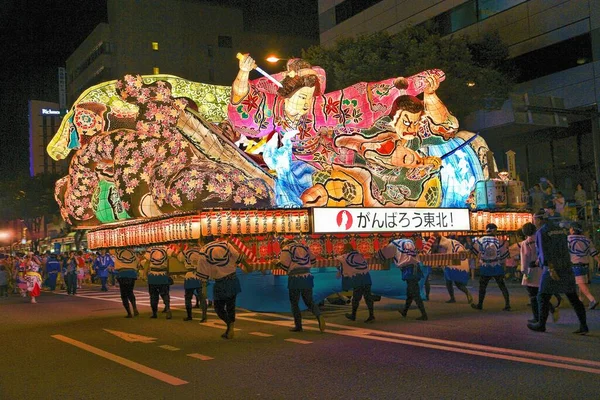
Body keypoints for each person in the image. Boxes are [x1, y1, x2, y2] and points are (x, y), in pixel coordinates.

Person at [527, 211, 589, 334]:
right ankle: (584, 325)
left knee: (542, 296)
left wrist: (550, 269)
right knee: (573, 297)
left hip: (552, 267)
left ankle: (541, 324)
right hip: (566, 266)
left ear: (539, 220)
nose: (534, 221)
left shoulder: (541, 232)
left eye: (534, 219)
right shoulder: (560, 230)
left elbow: (544, 252)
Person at [198, 237, 249, 338]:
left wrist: (203, 285)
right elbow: (238, 257)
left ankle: (229, 325)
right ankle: (230, 328)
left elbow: (202, 272)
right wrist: (247, 266)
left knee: (219, 308)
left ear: (202, 242)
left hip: (220, 282)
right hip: (233, 278)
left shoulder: (203, 251)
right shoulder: (226, 244)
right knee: (231, 306)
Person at [276, 238, 326, 333]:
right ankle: (319, 315)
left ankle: (298, 326)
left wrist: (277, 263)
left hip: (295, 278)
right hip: (307, 276)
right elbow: (313, 260)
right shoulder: (305, 247)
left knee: (294, 302)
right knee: (309, 301)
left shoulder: (286, 249)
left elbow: (284, 266)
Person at [378, 238, 428, 321]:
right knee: (410, 292)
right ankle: (405, 311)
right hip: (416, 267)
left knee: (415, 293)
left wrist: (381, 249)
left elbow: (382, 255)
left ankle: (424, 314)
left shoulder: (393, 244)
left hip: (409, 269)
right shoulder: (409, 241)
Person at [470, 223, 511, 311]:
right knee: (502, 285)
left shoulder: (480, 240)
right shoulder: (499, 241)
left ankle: (480, 304)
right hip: (496, 265)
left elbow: (474, 251)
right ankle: (507, 304)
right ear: (493, 230)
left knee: (482, 286)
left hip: (485, 266)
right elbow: (504, 254)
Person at [336, 243, 375, 323]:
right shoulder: (359, 255)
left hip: (358, 279)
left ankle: (353, 315)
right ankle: (371, 315)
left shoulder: (345, 257)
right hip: (366, 277)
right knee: (368, 297)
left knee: (356, 299)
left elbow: (339, 260)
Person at [432, 234, 473, 304]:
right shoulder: (453, 243)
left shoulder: (446, 244)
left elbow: (442, 254)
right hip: (456, 261)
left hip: (453, 262)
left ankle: (461, 294)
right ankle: (454, 297)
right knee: (450, 282)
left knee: (454, 282)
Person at [567, 222, 599, 310]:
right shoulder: (587, 239)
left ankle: (592, 300)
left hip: (575, 265)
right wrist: (599, 261)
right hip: (586, 265)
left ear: (573, 229)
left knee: (581, 284)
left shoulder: (568, 239)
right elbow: (593, 252)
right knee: (583, 283)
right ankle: (580, 301)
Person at [177, 244, 208, 322]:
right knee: (202, 297)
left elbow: (179, 259)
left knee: (188, 297)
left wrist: (180, 249)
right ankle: (204, 316)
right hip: (200, 275)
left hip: (189, 275)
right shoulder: (203, 252)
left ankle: (189, 316)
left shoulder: (185, 252)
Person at [144, 245, 172, 320]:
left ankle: (154, 313)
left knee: (153, 295)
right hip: (163, 274)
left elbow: (147, 262)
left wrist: (144, 274)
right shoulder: (166, 248)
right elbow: (173, 257)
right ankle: (168, 309)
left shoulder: (150, 249)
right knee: (165, 294)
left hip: (152, 275)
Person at [111, 248, 139, 318]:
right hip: (132, 273)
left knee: (124, 295)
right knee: (130, 292)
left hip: (122, 273)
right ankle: (134, 307)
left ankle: (129, 313)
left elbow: (111, 251)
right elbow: (137, 261)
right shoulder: (132, 252)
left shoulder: (117, 252)